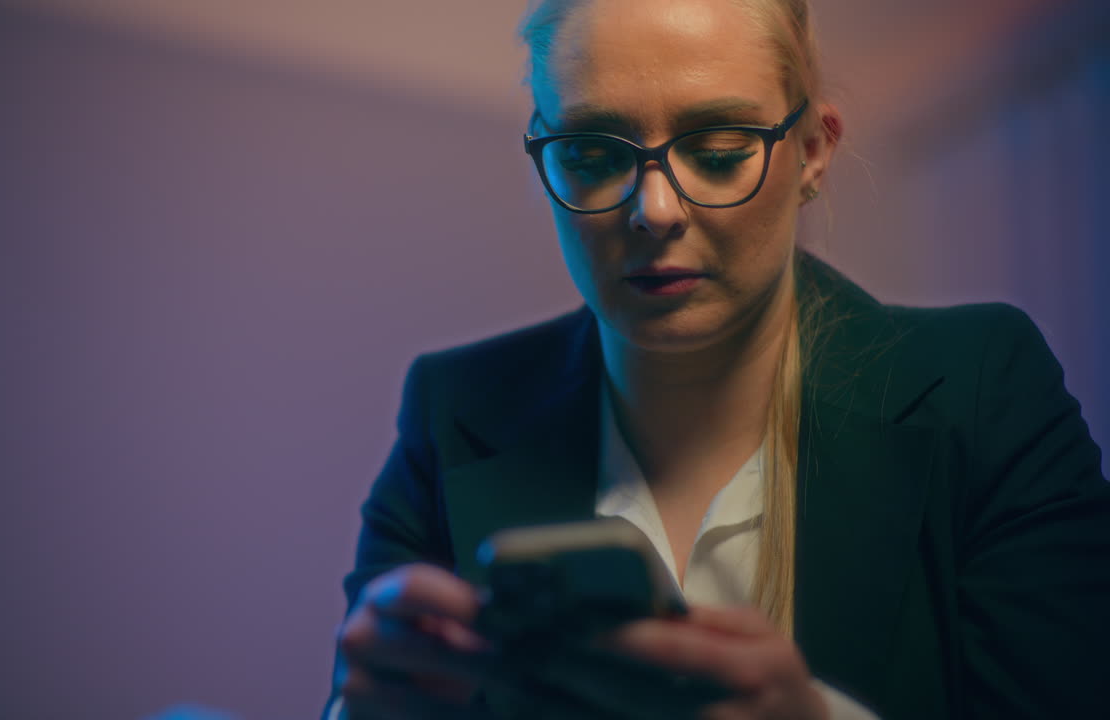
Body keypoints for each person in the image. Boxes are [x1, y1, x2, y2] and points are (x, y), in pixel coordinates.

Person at [322, 0, 1110, 717]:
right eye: (593, 155)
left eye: (720, 149)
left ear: (811, 151)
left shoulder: (981, 389)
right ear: (543, 157)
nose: (654, 210)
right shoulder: (453, 412)